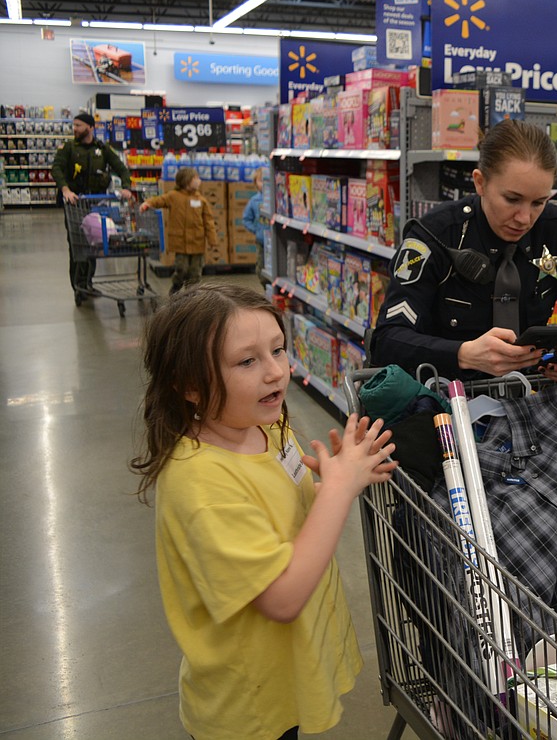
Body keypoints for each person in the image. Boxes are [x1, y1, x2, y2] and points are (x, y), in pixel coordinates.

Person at [130, 282, 397, 740]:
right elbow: (282, 598)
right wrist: (337, 491)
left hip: (283, 671)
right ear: (190, 386)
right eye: (247, 361)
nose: (276, 372)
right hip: (247, 706)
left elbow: (283, 511)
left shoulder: (264, 429)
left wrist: (332, 482)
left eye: (278, 349)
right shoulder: (202, 483)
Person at [370, 118, 557, 381]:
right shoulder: (434, 235)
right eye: (512, 199)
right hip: (446, 400)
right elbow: (387, 339)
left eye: (539, 202)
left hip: (534, 396)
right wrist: (462, 354)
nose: (525, 218)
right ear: (480, 182)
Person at [50, 111, 133, 298]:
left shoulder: (102, 149)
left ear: (90, 127)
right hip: (74, 204)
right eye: (74, 125)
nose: (75, 129)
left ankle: (88, 283)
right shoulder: (69, 148)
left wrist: (126, 187)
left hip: (95, 204)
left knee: (95, 243)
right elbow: (56, 168)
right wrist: (65, 190)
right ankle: (78, 287)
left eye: (78, 125)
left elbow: (121, 168)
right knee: (77, 245)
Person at [140, 166, 220, 294]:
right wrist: (147, 203)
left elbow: (208, 222)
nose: (199, 181)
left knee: (195, 272)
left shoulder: (201, 200)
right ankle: (176, 286)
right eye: (196, 178)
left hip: (197, 243)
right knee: (181, 268)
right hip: (180, 243)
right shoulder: (173, 196)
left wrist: (212, 240)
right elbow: (160, 200)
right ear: (186, 180)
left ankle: (192, 295)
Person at [241, 167, 268, 280]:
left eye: (266, 180)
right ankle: (265, 286)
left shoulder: (277, 198)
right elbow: (246, 219)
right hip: (261, 241)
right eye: (261, 181)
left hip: (276, 241)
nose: (264, 184)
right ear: (255, 183)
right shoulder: (254, 201)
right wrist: (256, 230)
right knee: (261, 268)